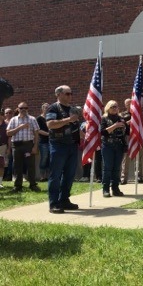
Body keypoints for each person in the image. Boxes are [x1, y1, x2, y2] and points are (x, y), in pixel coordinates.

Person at [46, 85, 81, 214]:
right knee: (55, 175)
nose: (70, 96)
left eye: (71, 93)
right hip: (58, 145)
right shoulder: (53, 107)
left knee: (69, 175)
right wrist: (68, 120)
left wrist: (86, 137)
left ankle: (64, 200)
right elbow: (50, 124)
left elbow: (76, 127)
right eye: (67, 93)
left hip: (72, 145)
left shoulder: (72, 109)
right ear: (58, 94)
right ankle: (54, 203)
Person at [6, 102, 40, 193]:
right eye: (21, 108)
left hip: (28, 145)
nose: (23, 109)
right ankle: (17, 186)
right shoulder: (13, 120)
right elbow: (8, 133)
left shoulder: (32, 119)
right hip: (16, 146)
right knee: (17, 166)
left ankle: (33, 185)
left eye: (25, 108)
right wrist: (20, 127)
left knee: (31, 165)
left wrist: (35, 146)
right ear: (18, 109)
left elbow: (36, 134)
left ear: (27, 109)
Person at [100, 100, 128, 197]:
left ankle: (115, 188)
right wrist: (115, 125)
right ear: (108, 108)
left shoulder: (121, 118)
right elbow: (103, 132)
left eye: (116, 106)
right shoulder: (104, 118)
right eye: (112, 107)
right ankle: (105, 189)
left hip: (119, 146)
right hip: (108, 146)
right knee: (107, 168)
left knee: (117, 168)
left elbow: (126, 131)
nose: (115, 108)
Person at [36, 103, 50, 182]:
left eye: (48, 107)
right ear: (42, 109)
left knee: (50, 158)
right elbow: (38, 130)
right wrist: (48, 134)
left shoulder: (51, 118)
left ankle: (48, 176)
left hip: (51, 141)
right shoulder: (39, 118)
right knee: (44, 158)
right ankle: (42, 176)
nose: (47, 109)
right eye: (45, 107)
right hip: (43, 142)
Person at [120, 98, 132, 184]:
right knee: (125, 158)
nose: (130, 105)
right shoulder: (122, 115)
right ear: (125, 105)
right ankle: (124, 178)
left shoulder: (137, 113)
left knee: (139, 156)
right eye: (128, 104)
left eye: (131, 103)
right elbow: (120, 124)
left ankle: (139, 176)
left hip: (136, 136)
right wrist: (126, 123)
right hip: (127, 136)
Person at [0, 110, 9, 188]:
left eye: (2, 114)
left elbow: (9, 137)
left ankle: (0, 182)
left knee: (1, 165)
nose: (0, 116)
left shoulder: (6, 125)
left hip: (3, 146)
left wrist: (9, 148)